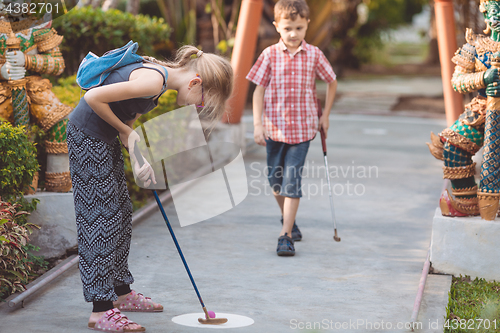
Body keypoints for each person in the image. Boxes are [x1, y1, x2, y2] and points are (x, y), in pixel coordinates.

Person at [66, 45, 233, 332]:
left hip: (102, 139)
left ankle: (122, 293)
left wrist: (137, 152)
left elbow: (124, 115)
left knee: (120, 211)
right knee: (101, 218)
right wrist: (128, 133)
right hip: (87, 138)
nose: (198, 107)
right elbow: (93, 98)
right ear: (195, 83)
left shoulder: (158, 85)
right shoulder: (154, 80)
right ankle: (100, 310)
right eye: (202, 102)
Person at [247, 0, 337, 256]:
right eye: (288, 28)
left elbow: (332, 81)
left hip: (303, 130)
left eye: (298, 27)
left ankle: (285, 235)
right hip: (274, 129)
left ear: (307, 24)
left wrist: (326, 116)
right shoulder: (269, 55)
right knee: (275, 181)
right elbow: (258, 91)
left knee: (292, 180)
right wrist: (257, 124)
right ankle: (290, 221)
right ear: (277, 27)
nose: (293, 34)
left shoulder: (315, 54)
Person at [427, 0, 500, 219]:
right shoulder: (476, 46)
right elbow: (457, 81)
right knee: (452, 147)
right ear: (485, 11)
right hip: (482, 110)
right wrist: (484, 78)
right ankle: (467, 200)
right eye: (496, 8)